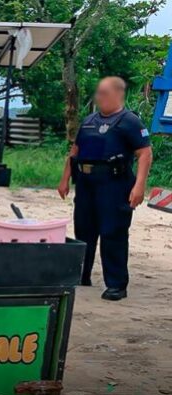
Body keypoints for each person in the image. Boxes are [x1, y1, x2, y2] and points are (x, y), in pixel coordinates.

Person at [58, 76, 153, 301]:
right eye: (99, 93)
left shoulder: (129, 121)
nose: (100, 97)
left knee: (113, 232)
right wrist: (65, 179)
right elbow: (75, 151)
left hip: (115, 183)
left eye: (105, 93)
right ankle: (82, 275)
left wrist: (139, 186)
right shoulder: (89, 120)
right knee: (84, 230)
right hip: (86, 182)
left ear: (118, 95)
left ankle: (116, 285)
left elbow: (145, 154)